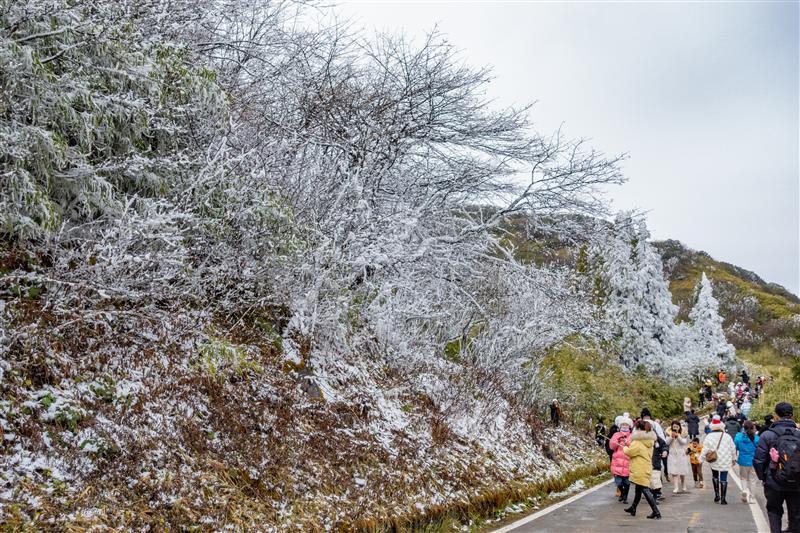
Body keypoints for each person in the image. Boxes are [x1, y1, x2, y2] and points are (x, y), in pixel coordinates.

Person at [753, 402, 800, 533]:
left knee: (774, 512)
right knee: (796, 514)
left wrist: (764, 478)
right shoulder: (799, 435)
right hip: (797, 482)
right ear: (792, 415)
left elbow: (758, 460)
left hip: (774, 481)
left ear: (776, 415)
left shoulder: (767, 435)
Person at [623, 420, 661, 519]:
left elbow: (630, 452)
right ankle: (633, 508)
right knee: (638, 490)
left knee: (644, 489)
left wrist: (624, 447)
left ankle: (656, 512)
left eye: (636, 428)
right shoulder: (649, 441)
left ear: (639, 429)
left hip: (639, 468)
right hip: (646, 467)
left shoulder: (638, 441)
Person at [700, 414, 736, 505]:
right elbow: (733, 448)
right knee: (724, 478)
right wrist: (734, 458)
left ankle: (717, 495)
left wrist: (701, 459)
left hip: (714, 459)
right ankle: (723, 499)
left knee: (715, 475)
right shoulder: (727, 436)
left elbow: (705, 449)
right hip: (725, 459)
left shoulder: (709, 436)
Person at [735, 420, 760, 504]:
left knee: (743, 478)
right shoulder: (756, 438)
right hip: (754, 461)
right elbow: (759, 449)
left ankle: (744, 490)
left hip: (743, 460)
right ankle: (752, 498)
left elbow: (736, 447)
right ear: (753, 428)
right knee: (753, 480)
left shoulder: (738, 436)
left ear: (743, 428)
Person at [610, 416, 633, 503]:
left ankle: (625, 497)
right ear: (620, 426)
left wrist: (626, 442)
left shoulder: (631, 436)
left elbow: (633, 446)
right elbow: (612, 446)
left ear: (629, 426)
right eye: (623, 424)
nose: (624, 426)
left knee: (627, 483)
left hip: (627, 462)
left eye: (626, 425)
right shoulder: (616, 435)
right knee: (618, 482)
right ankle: (622, 493)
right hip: (617, 462)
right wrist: (617, 441)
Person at [666, 420, 691, 493]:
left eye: (677, 426)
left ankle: (683, 485)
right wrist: (671, 437)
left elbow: (684, 442)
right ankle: (676, 487)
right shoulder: (668, 433)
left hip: (681, 453)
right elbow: (667, 443)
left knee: (682, 471)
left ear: (679, 427)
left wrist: (678, 436)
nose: (675, 428)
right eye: (674, 427)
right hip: (672, 454)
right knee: (674, 472)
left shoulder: (683, 433)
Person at [651, 430, 668, 501]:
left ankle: (657, 493)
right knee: (649, 481)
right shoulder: (642, 439)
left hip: (656, 462)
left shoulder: (657, 439)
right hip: (646, 463)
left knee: (657, 480)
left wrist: (665, 451)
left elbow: (664, 445)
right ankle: (651, 493)